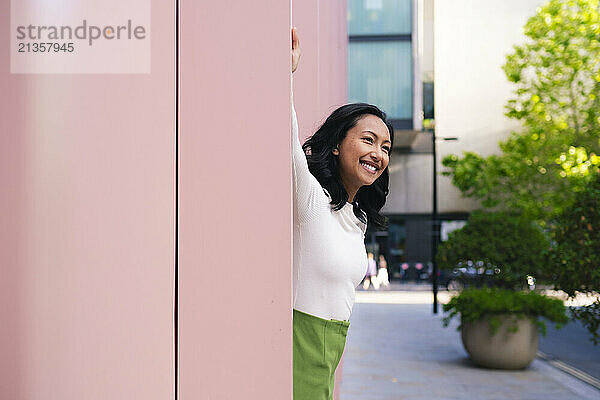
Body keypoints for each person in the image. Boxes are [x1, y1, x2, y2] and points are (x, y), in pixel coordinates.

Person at [291, 27, 394, 399]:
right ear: (336, 145)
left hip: (332, 349)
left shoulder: (357, 219)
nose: (379, 154)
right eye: (368, 140)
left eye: (385, 147)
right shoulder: (311, 199)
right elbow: (287, 139)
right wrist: (286, 73)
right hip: (299, 347)